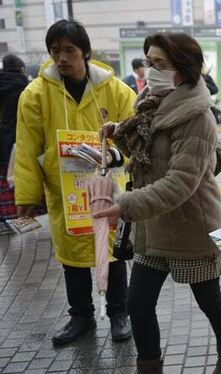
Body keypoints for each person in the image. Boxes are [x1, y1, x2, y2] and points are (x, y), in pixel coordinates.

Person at [93, 31, 221, 373]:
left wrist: (124, 205)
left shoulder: (197, 116)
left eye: (160, 64)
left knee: (209, 300)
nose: (150, 70)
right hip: (153, 227)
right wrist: (119, 133)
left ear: (183, 69)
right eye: (148, 62)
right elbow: (147, 157)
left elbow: (179, 182)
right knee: (139, 304)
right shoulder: (149, 103)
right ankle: (149, 367)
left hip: (192, 227)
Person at [13, 20, 136, 345]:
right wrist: (26, 194)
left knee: (111, 251)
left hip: (107, 187)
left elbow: (135, 135)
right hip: (64, 192)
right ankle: (81, 316)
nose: (62, 58)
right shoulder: (36, 94)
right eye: (55, 51)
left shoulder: (115, 90)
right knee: (72, 255)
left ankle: (118, 313)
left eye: (69, 50)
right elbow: (27, 146)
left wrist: (118, 158)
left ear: (86, 52)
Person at [0, 55, 29, 223]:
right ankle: (16, 215)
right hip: (15, 142)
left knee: (2, 181)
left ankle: (4, 216)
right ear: (21, 68)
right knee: (14, 179)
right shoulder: (25, 88)